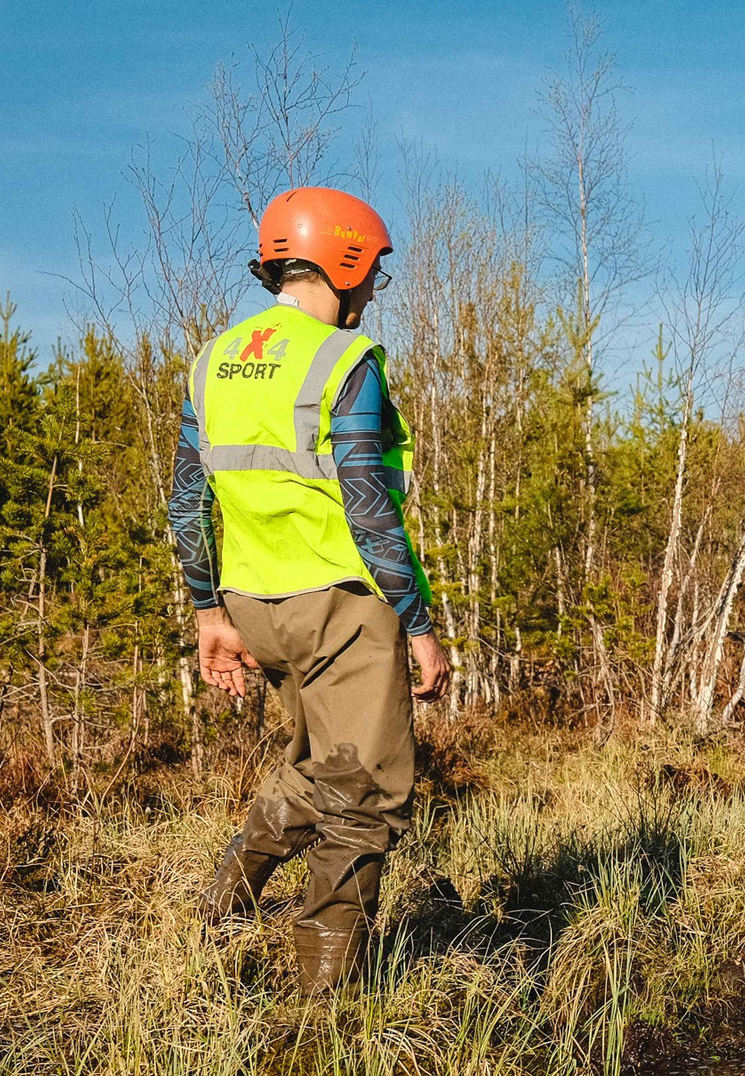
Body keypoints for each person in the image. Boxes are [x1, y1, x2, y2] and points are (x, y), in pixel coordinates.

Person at [168, 186, 449, 993]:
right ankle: (324, 1002)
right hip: (342, 604)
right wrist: (417, 622)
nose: (370, 291)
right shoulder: (342, 360)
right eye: (370, 271)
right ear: (345, 258)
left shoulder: (212, 360)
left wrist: (208, 612)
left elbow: (188, 501)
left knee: (322, 762)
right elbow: (366, 503)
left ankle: (223, 900)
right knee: (368, 794)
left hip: (255, 605)